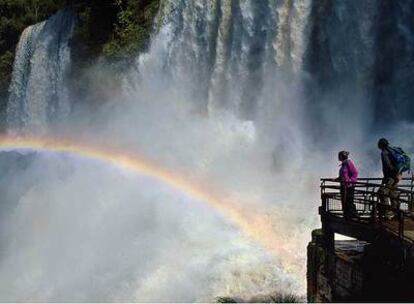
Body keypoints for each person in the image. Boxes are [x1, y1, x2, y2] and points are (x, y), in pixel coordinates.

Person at [377, 138, 401, 219]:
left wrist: (388, 176)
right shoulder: (392, 151)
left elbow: (388, 165)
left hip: (390, 177)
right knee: (393, 194)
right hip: (395, 176)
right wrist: (398, 174)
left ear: (381, 145)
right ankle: (397, 213)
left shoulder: (384, 153)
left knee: (382, 192)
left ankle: (387, 213)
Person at [336, 151, 359, 220]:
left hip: (349, 186)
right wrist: (338, 179)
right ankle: (347, 216)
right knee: (345, 201)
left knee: (349, 201)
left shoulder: (348, 163)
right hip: (344, 185)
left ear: (342, 156)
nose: (338, 157)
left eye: (339, 156)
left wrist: (349, 181)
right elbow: (344, 175)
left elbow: (355, 173)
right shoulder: (344, 164)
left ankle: (353, 216)